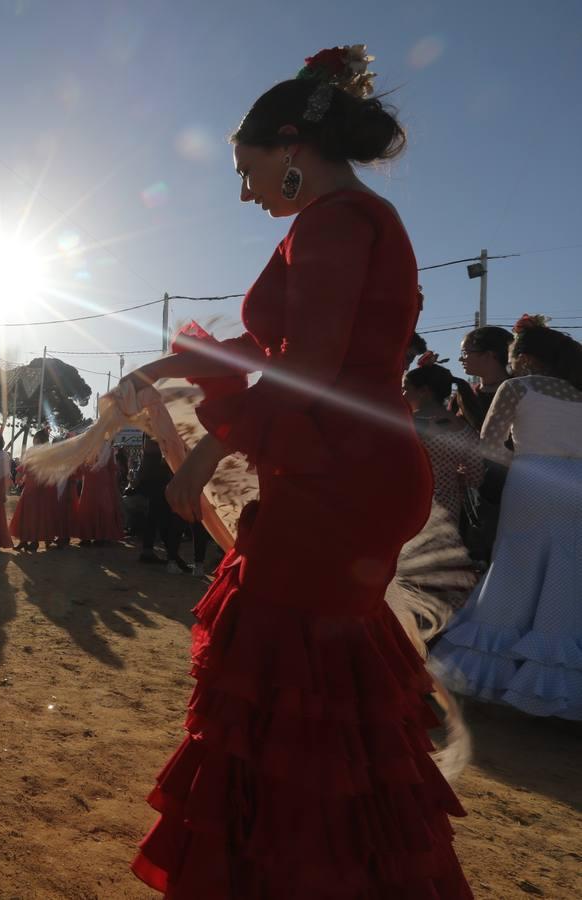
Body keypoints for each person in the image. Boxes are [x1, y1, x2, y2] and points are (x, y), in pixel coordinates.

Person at [119, 46, 469, 896]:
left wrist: (204, 449)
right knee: (320, 681)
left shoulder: (335, 222)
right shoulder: (351, 220)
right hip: (349, 464)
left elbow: (305, 362)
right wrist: (171, 373)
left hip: (341, 472)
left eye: (247, 170)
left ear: (290, 146)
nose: (245, 192)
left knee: (285, 672)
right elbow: (285, 352)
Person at [432, 317, 582, 719]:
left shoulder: (519, 388)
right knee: (565, 573)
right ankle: (553, 676)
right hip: (577, 485)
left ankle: (491, 671)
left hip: (533, 479)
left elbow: (489, 443)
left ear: (528, 358)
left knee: (516, 565)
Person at [455, 325, 514, 561]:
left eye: (466, 352)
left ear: (490, 355)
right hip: (467, 483)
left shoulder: (517, 390)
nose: (461, 358)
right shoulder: (464, 394)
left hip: (506, 484)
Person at [403, 354, 483, 527]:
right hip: (448, 506)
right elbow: (475, 475)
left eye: (406, 389)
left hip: (408, 501)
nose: (403, 394)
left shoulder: (405, 423)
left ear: (424, 391)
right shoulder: (465, 428)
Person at [129, 440, 173, 563]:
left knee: (153, 517)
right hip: (158, 481)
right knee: (161, 517)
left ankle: (149, 551)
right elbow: (149, 453)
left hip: (154, 481)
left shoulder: (152, 435)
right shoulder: (154, 438)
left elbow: (146, 456)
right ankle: (170, 556)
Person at [72, 444, 124, 545]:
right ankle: (101, 536)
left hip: (91, 479)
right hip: (101, 481)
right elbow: (112, 469)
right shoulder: (108, 449)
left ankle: (86, 537)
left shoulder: (88, 448)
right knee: (101, 506)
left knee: (88, 505)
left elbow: (80, 467)